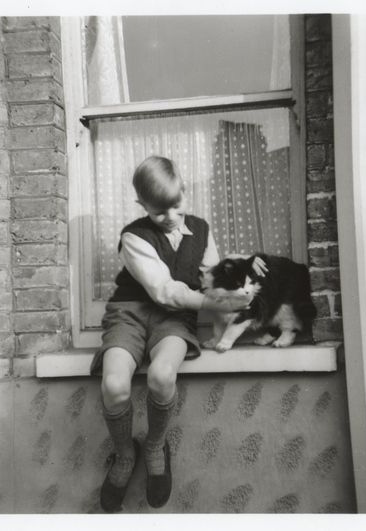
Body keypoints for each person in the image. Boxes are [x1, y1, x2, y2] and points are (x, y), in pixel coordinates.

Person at [90, 155, 265, 512]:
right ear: (142, 205)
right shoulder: (133, 236)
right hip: (129, 314)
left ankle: (155, 445)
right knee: (115, 385)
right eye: (158, 212)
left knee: (162, 375)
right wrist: (212, 303)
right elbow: (164, 290)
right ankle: (125, 453)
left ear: (185, 190)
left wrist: (247, 263)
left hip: (173, 320)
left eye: (176, 204)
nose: (170, 216)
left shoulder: (201, 229)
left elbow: (212, 274)